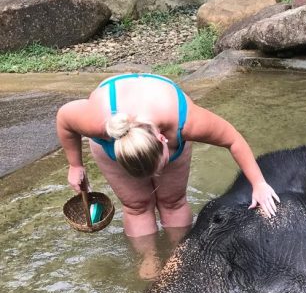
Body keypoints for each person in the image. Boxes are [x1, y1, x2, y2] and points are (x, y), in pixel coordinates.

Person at [56, 72, 279, 278]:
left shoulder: (186, 122)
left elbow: (233, 140)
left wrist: (258, 183)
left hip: (165, 113)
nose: (155, 175)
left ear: (163, 139)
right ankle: (148, 257)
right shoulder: (97, 121)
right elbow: (64, 119)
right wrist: (75, 165)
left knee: (173, 201)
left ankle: (179, 254)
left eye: (159, 166)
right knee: (136, 204)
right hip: (116, 130)